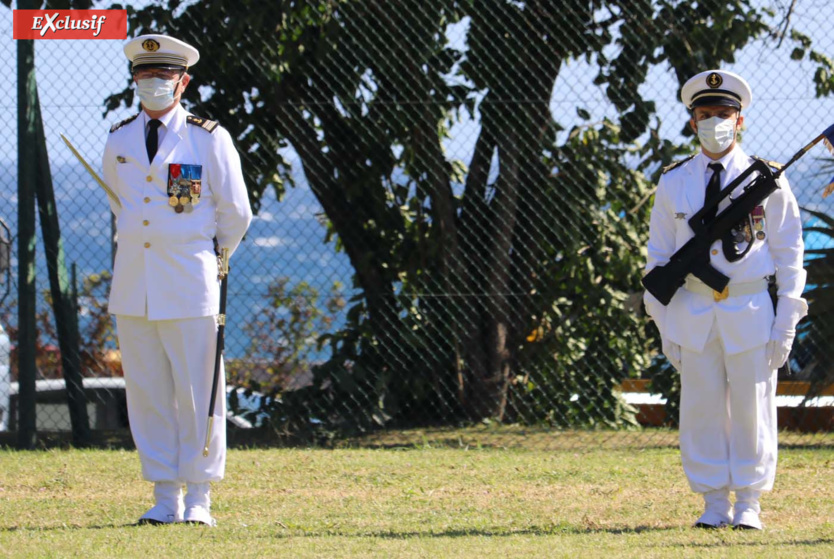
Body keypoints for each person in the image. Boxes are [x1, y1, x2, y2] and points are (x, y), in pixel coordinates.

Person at [643, 69, 806, 530]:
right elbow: (658, 259)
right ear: (692, 122)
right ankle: (714, 503)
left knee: (753, 408)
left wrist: (787, 320)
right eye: (705, 114)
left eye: (724, 114)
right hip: (693, 311)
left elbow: (790, 253)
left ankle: (749, 502)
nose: (715, 121)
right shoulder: (674, 181)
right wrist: (664, 322)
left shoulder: (767, 181)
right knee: (701, 408)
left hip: (751, 309)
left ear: (741, 121)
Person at [102, 34, 253, 526]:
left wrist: (210, 257)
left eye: (162, 78)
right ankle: (164, 497)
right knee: (146, 392)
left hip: (190, 280)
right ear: (134, 81)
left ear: (182, 81)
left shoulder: (208, 138)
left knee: (201, 392)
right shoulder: (120, 138)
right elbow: (120, 206)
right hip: (135, 283)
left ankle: (200, 499)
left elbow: (235, 212)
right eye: (144, 77)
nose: (152, 85)